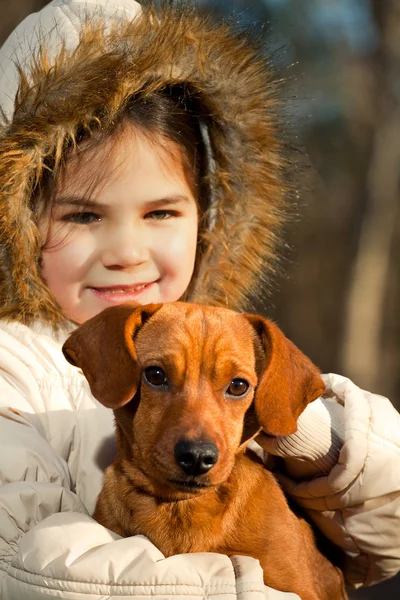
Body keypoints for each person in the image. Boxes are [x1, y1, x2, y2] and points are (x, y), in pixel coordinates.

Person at [0, 1, 399, 598]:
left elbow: (383, 543)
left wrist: (308, 433)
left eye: (160, 212)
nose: (127, 251)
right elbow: (32, 564)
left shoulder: (241, 341)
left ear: (206, 220)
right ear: (17, 223)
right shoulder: (12, 372)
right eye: (83, 215)